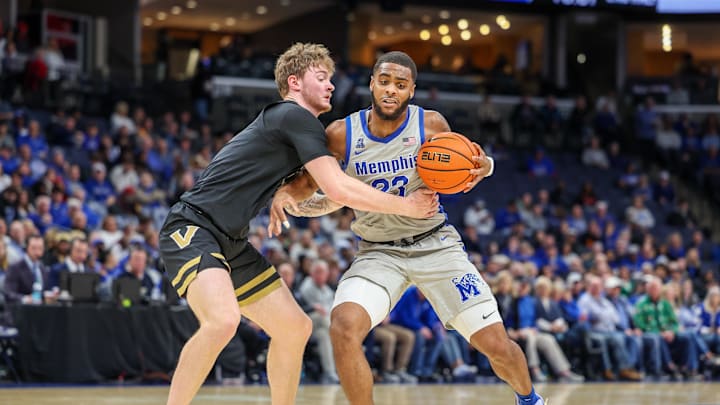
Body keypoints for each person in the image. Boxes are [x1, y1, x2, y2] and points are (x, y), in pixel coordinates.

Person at [157, 43, 438, 405]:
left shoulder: (304, 132)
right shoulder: (293, 115)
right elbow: (339, 188)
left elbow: (331, 196)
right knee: (223, 321)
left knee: (295, 327)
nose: (331, 86)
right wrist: (408, 206)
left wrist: (287, 195)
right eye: (321, 78)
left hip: (231, 240)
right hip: (192, 227)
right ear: (294, 82)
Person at [269, 51, 545, 405]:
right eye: (383, 82)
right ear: (372, 83)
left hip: (435, 244)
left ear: (411, 90)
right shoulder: (340, 134)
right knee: (343, 327)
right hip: (378, 251)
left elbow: (470, 165)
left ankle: (530, 400)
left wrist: (485, 167)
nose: (390, 91)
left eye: (400, 85)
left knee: (495, 345)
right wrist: (285, 193)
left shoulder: (430, 125)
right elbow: (312, 184)